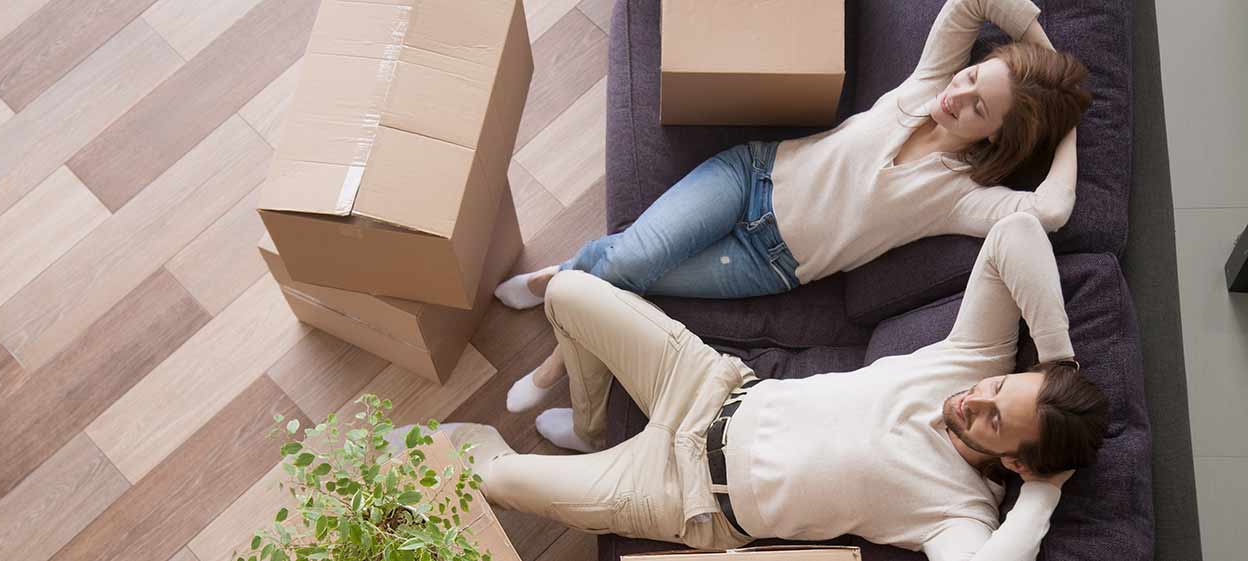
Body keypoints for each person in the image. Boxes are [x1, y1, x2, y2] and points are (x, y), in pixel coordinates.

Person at [493, 0, 1094, 421]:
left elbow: (1051, 210)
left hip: (763, 262)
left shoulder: (961, 197)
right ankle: (557, 364)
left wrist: (1063, 130)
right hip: (746, 175)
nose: (955, 96)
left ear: (996, 138)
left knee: (623, 272)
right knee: (632, 260)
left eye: (977, 109)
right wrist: (1037, 58)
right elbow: (974, 1)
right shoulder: (927, 84)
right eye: (969, 78)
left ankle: (560, 287)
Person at [431, 212, 1109, 561]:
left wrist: (1044, 492)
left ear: (1017, 462)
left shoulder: (960, 515)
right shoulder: (971, 360)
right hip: (707, 384)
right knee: (570, 289)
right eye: (999, 386)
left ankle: (481, 450)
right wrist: (1058, 361)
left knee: (495, 481)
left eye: (994, 420)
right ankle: (587, 426)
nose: (973, 400)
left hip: (686, 496)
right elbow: (1017, 233)